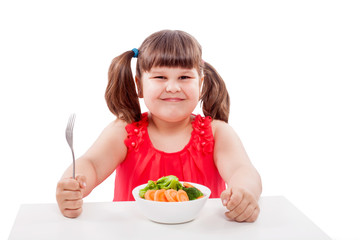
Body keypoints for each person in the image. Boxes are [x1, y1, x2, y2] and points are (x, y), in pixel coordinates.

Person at [56, 30, 262, 222]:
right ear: (139, 85)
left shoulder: (217, 132)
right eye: (160, 77)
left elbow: (241, 170)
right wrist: (73, 186)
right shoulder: (124, 132)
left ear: (200, 84)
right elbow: (91, 164)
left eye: (184, 77)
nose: (172, 87)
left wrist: (244, 192)